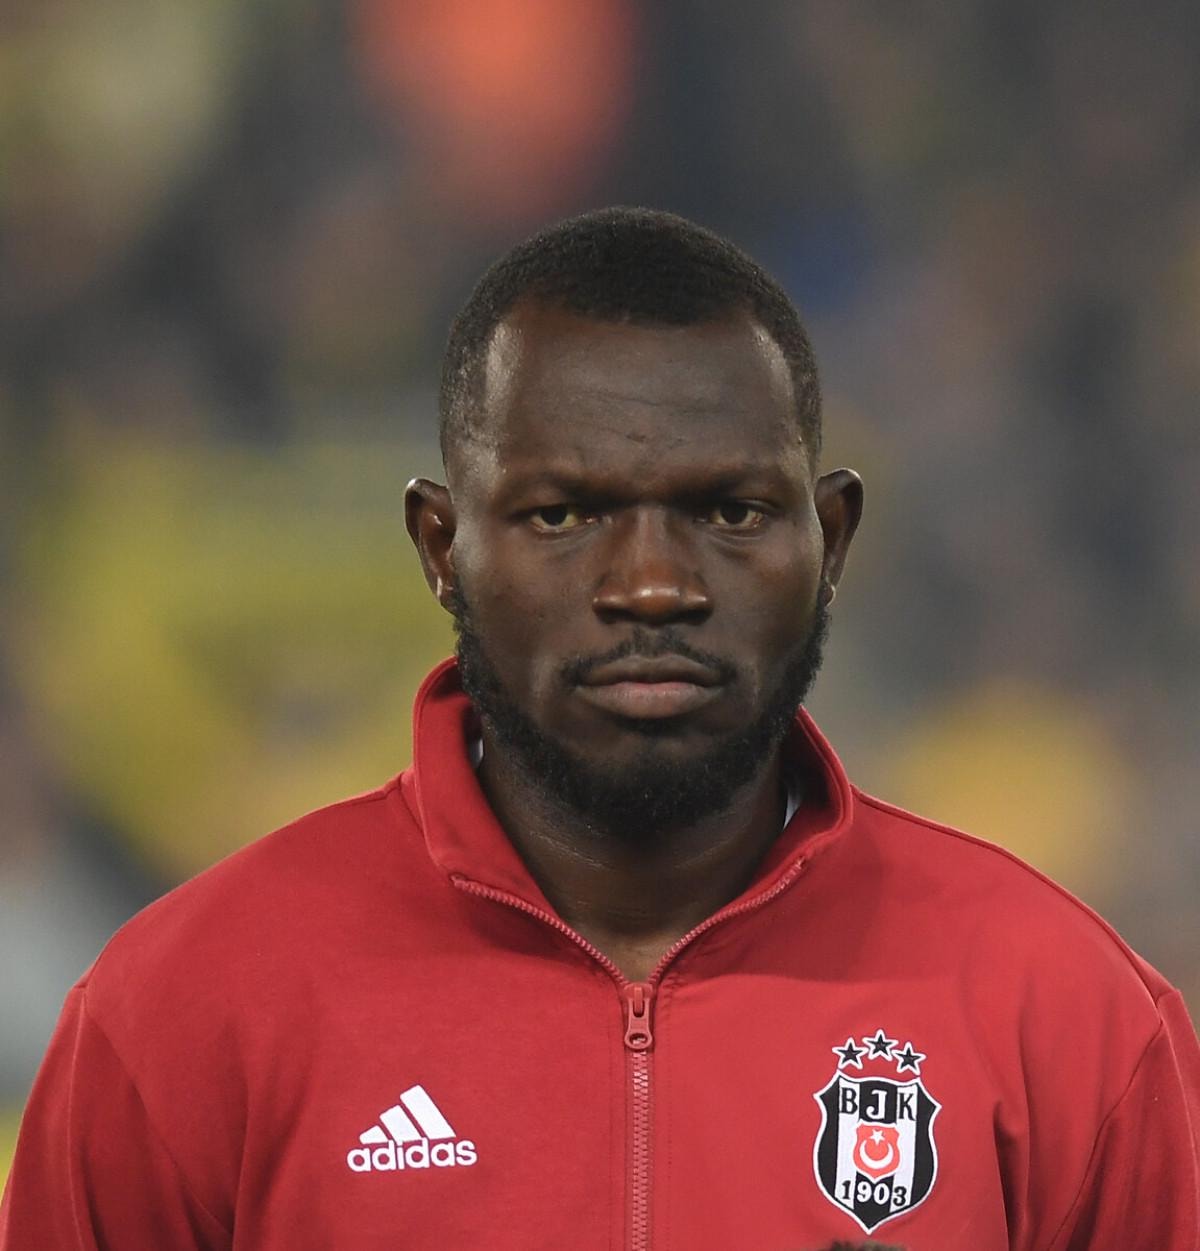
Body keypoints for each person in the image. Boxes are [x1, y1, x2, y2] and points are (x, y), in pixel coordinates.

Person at [1, 207, 1197, 1250]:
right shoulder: (184, 1015)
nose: (653, 586)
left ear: (830, 542)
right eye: (564, 514)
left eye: (730, 511)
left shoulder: (1067, 1021)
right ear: (442, 548)